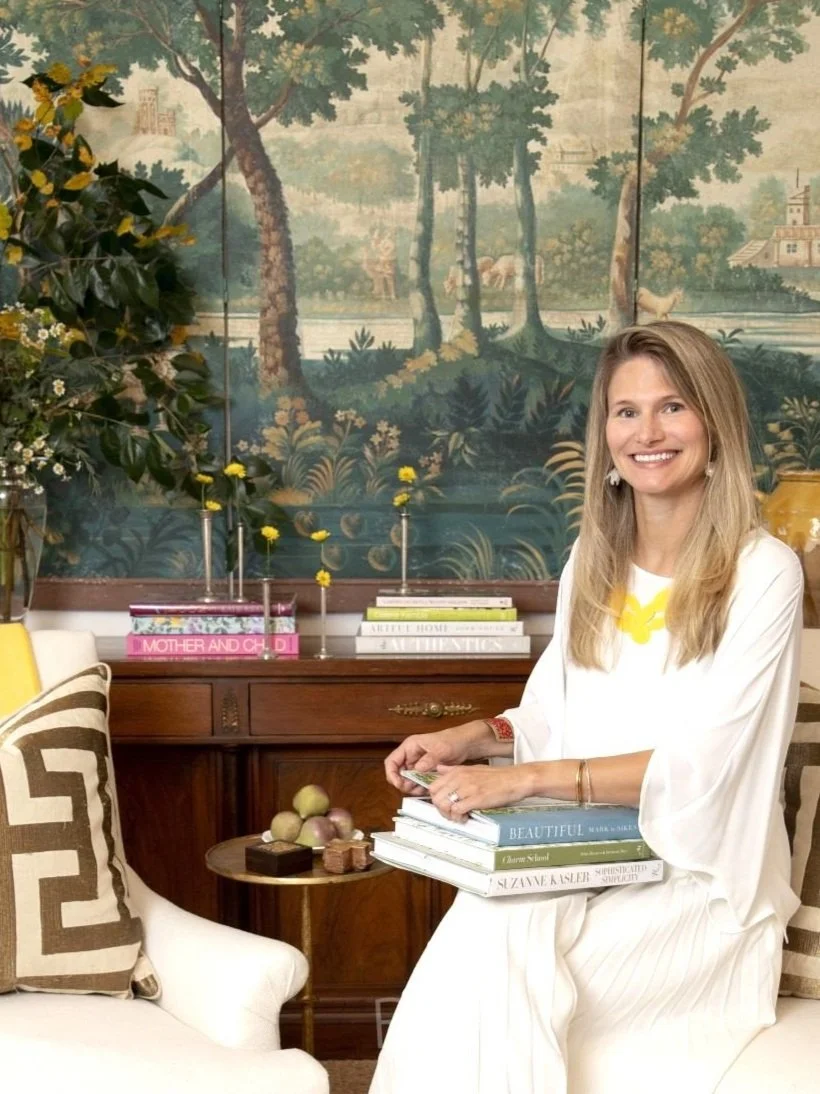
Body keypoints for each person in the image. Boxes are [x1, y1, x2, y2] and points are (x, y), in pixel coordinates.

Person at [369, 320, 803, 1094]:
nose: (647, 433)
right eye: (626, 411)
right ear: (605, 434)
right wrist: (475, 737)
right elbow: (554, 711)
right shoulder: (591, 560)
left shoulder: (763, 573)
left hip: (698, 882)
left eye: (673, 407)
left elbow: (704, 768)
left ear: (715, 422)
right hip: (581, 855)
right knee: (483, 930)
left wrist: (522, 780)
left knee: (493, 963)